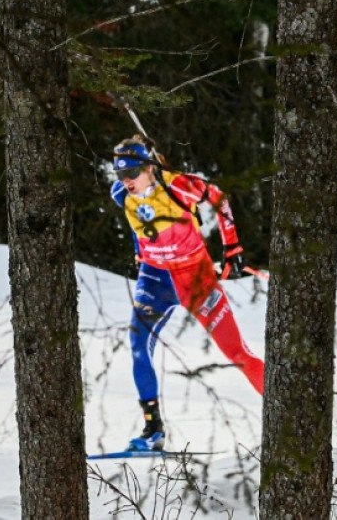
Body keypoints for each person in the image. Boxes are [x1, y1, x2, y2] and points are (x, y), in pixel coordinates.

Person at [109, 135, 265, 452]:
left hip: (195, 277)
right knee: (138, 345)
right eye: (120, 174)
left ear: (148, 168)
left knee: (238, 355)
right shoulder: (121, 194)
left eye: (132, 173)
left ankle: (287, 416)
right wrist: (139, 249)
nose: (127, 181)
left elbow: (219, 198)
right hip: (155, 278)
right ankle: (153, 428)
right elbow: (135, 221)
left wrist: (232, 246)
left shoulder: (176, 184)